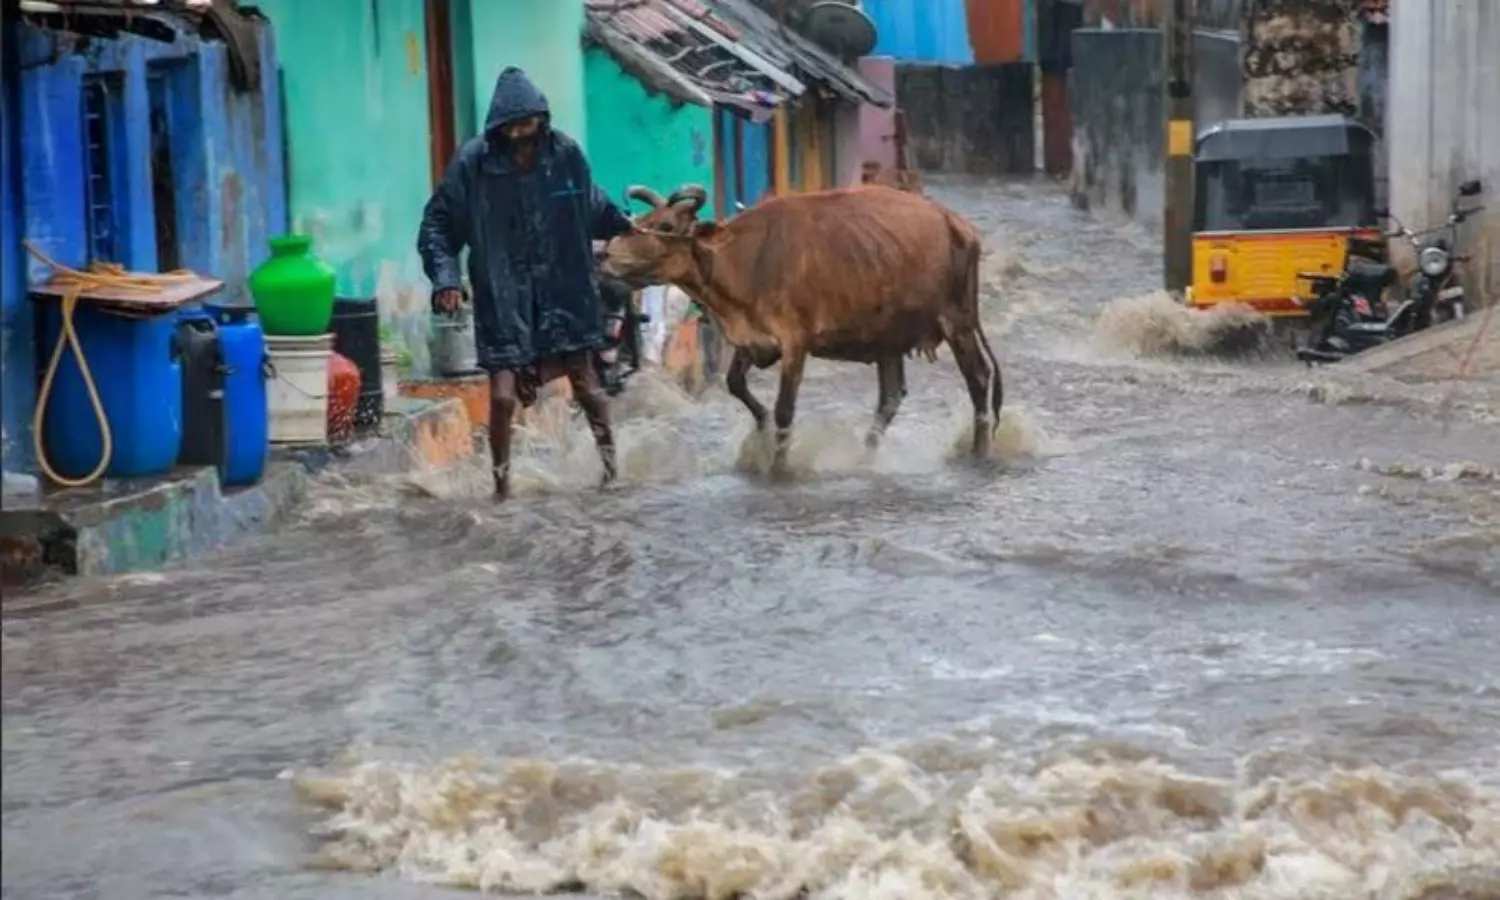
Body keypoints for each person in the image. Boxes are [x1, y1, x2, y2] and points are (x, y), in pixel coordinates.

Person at [418, 67, 634, 501]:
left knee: (587, 385)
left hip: (564, 290)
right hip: (504, 294)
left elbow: (592, 201)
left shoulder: (566, 154)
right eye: (512, 124)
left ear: (542, 118)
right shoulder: (473, 164)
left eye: (528, 122)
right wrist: (445, 278)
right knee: (501, 397)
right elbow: (439, 225)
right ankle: (502, 487)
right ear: (498, 125)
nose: (521, 132)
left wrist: (630, 227)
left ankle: (613, 474)